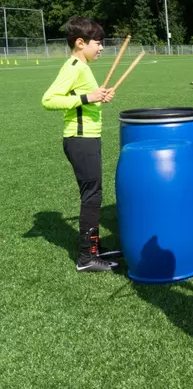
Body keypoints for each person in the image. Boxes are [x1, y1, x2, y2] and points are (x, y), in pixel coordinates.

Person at [41, 17, 121, 272]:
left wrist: (99, 96)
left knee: (94, 193)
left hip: (89, 137)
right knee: (92, 195)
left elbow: (83, 101)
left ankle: (94, 248)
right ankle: (87, 257)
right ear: (80, 42)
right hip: (79, 139)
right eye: (97, 43)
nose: (101, 48)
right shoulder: (74, 66)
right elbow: (49, 99)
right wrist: (89, 96)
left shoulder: (83, 67)